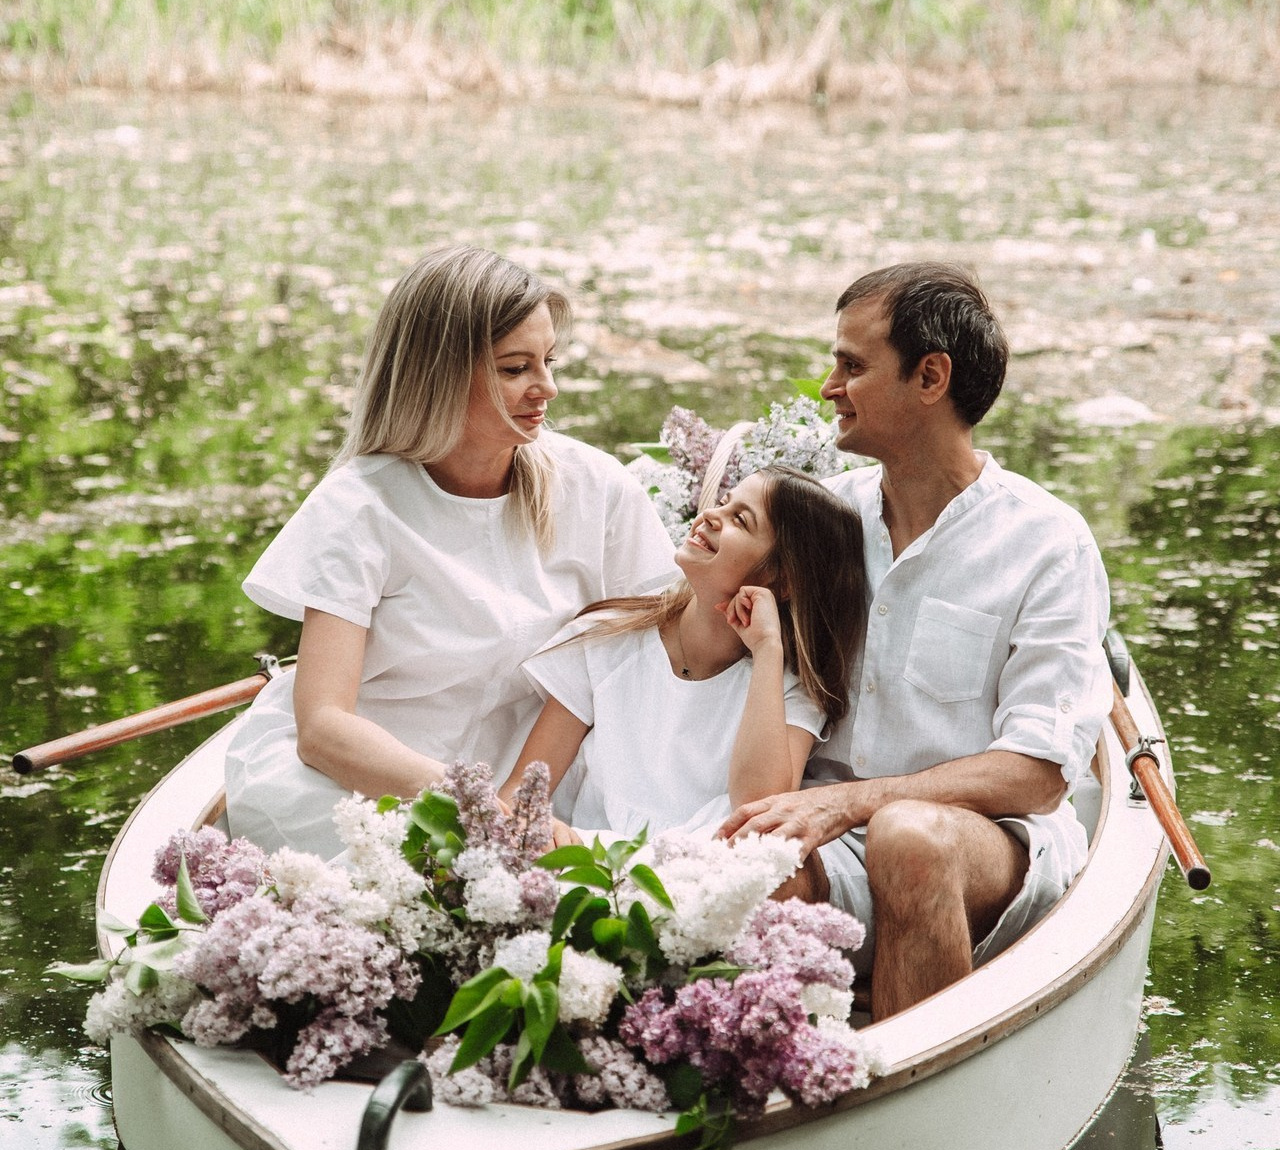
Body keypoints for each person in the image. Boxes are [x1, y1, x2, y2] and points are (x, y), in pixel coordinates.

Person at [719, 262, 1113, 1022]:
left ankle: (911, 1093)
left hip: (988, 846)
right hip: (834, 831)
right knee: (739, 864)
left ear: (930, 376)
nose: (829, 386)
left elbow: (1038, 774)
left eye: (852, 365)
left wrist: (859, 801)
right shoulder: (827, 518)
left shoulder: (1047, 542)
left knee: (910, 838)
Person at [224, 246, 676, 858]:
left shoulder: (596, 489)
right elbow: (325, 731)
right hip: (370, 783)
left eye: (548, 360)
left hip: (543, 770)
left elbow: (630, 664)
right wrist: (479, 810)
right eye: (515, 368)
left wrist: (519, 804)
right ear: (435, 375)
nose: (548, 387)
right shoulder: (361, 505)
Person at [498, 466, 867, 842]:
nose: (710, 515)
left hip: (694, 879)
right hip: (581, 865)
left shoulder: (786, 689)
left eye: (739, 519)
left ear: (784, 579)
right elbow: (522, 792)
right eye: (723, 502)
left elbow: (758, 809)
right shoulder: (608, 637)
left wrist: (768, 651)